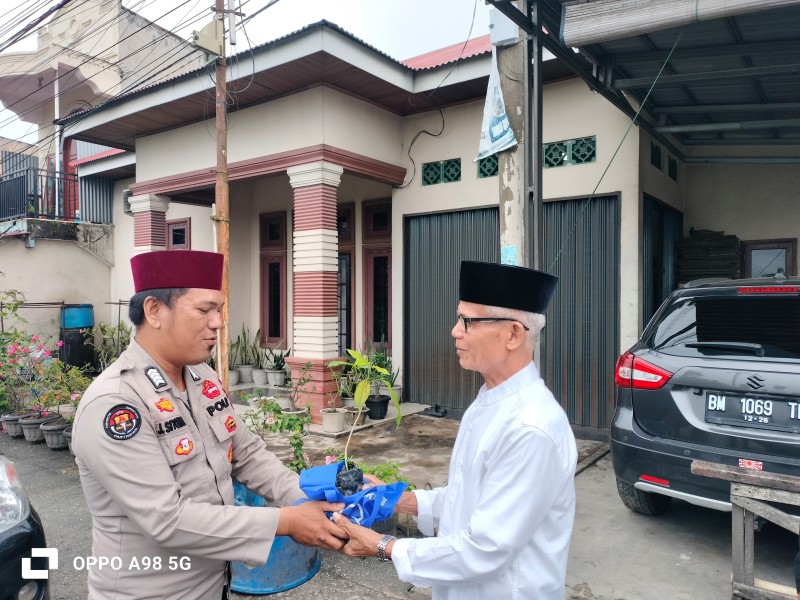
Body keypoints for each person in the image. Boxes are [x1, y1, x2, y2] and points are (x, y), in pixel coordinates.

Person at [72, 250, 347, 600]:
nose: (217, 322)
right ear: (154, 311)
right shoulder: (117, 403)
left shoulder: (201, 377)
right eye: (204, 310)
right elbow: (166, 520)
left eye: (219, 310)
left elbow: (246, 454)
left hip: (213, 583)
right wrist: (287, 521)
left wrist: (311, 500)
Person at [334, 260, 578, 599]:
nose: (455, 330)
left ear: (512, 334)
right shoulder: (489, 400)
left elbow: (486, 549)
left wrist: (384, 546)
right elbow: (467, 498)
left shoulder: (531, 428)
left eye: (468, 321)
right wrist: (398, 501)